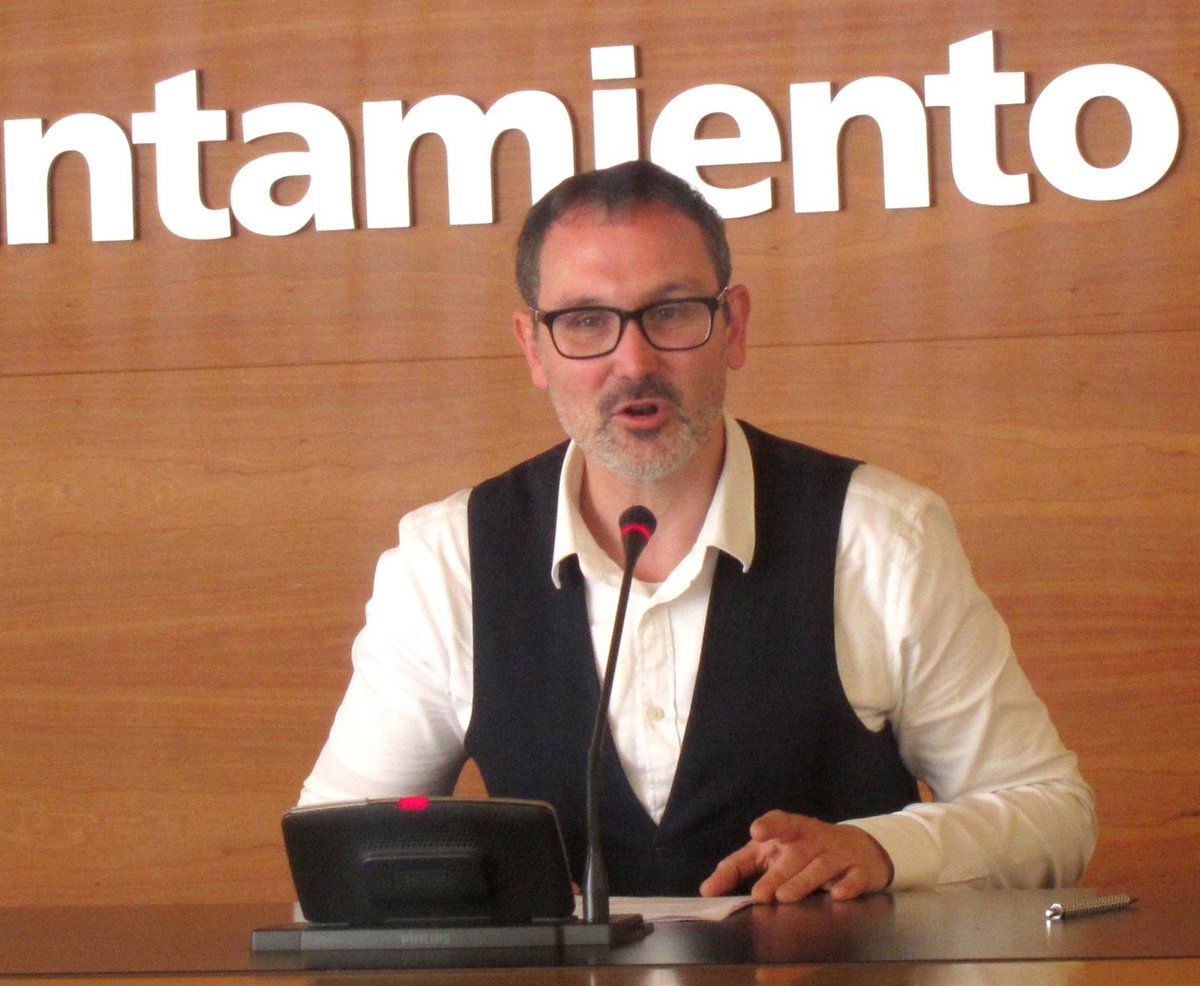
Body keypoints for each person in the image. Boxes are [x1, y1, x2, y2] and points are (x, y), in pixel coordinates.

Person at [299, 160, 1096, 903]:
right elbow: (332, 862)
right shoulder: (448, 563)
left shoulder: (882, 536)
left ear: (733, 325)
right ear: (533, 348)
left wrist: (886, 850)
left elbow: (1053, 814)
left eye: (672, 313)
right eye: (586, 321)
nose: (633, 361)